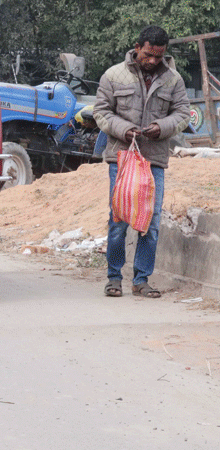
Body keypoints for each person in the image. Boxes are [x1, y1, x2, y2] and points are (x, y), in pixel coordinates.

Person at [92, 25, 190, 299]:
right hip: (121, 157)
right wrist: (125, 130)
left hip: (154, 159)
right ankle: (114, 278)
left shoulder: (174, 80)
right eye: (148, 54)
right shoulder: (113, 75)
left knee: (152, 221)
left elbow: (183, 113)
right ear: (137, 47)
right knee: (119, 219)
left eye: (159, 57)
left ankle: (141, 280)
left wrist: (162, 126)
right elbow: (101, 112)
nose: (153, 61)